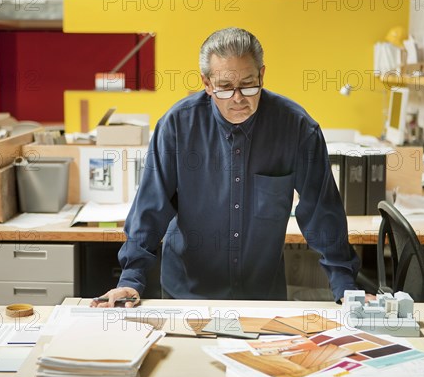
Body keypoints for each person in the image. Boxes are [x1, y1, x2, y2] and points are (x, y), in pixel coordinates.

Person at [92, 27, 361, 308]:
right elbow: (150, 210)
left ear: (262, 75)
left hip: (262, 298)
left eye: (248, 84)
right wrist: (130, 280)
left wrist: (345, 287)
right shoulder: (177, 127)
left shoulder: (296, 128)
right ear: (207, 84)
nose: (238, 98)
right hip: (187, 295)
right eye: (224, 87)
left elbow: (322, 211)